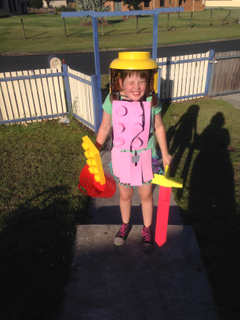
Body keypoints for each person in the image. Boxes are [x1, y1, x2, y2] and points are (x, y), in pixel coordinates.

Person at [95, 52, 173, 252]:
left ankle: (147, 228)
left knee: (146, 195)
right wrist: (96, 148)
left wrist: (164, 153)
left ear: (149, 82)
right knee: (125, 194)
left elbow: (159, 128)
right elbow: (105, 127)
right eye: (131, 81)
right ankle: (125, 224)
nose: (136, 86)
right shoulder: (112, 101)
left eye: (142, 80)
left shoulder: (152, 102)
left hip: (146, 156)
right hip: (122, 157)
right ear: (120, 82)